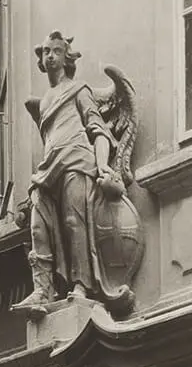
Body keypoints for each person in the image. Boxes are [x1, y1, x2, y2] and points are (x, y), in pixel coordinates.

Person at [13, 32, 133, 315]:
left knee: (73, 221)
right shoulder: (42, 103)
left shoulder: (79, 90)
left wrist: (102, 165)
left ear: (66, 58)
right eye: (46, 52)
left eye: (56, 51)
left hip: (77, 160)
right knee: (37, 226)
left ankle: (80, 285)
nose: (50, 56)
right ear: (41, 60)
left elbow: (98, 130)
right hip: (49, 167)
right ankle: (43, 289)